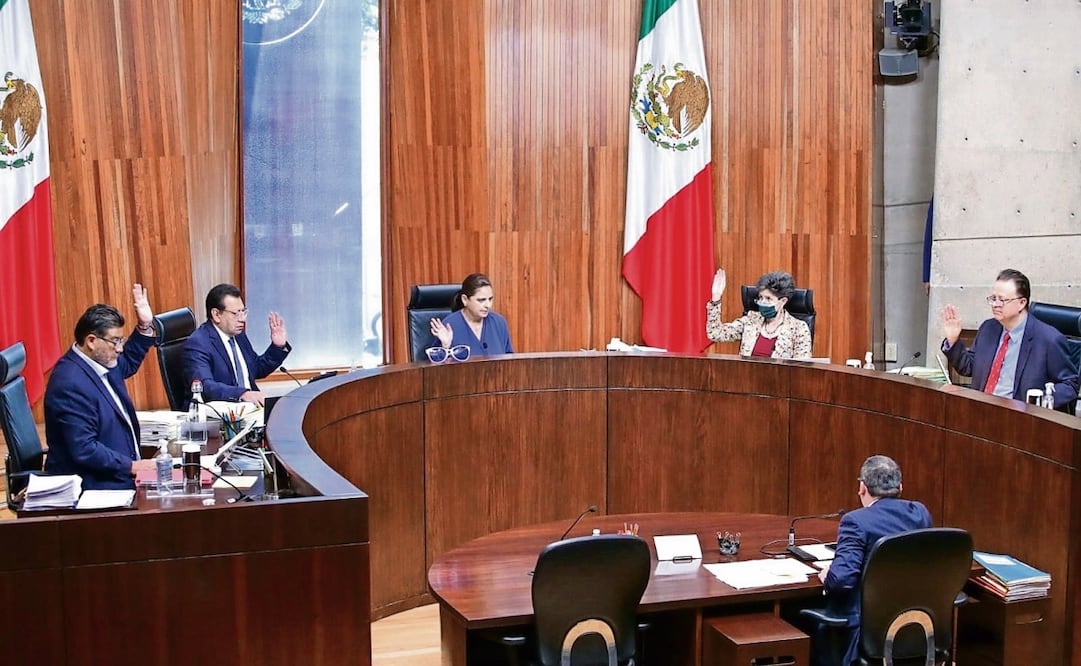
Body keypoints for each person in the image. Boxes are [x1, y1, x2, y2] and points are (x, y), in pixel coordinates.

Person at [816, 455, 932, 666]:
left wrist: (828, 576)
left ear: (862, 488)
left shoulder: (856, 521)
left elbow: (841, 581)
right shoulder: (920, 513)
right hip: (917, 627)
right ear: (901, 487)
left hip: (868, 631)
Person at [44, 284, 160, 489]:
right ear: (91, 341)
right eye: (114, 341)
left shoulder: (101, 359)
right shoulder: (70, 384)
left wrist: (144, 326)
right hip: (96, 484)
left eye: (121, 340)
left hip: (119, 471)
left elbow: (128, 362)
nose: (120, 348)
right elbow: (84, 449)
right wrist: (132, 466)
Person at [940, 268, 1078, 410]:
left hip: (1020, 419)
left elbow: (1070, 384)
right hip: (981, 412)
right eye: (993, 298)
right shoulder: (988, 328)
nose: (995, 304)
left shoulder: (1048, 339)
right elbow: (969, 368)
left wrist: (1041, 401)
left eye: (1002, 300)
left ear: (1021, 303)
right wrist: (953, 340)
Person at [182, 283, 291, 406]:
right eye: (236, 313)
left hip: (251, 411)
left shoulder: (238, 335)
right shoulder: (198, 343)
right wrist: (241, 394)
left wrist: (278, 347)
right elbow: (204, 386)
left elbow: (257, 368)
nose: (242, 319)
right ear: (216, 314)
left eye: (243, 312)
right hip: (222, 416)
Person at [705, 268, 812, 359]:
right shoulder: (751, 320)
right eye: (761, 297)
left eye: (768, 298)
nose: (763, 302)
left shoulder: (798, 328)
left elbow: (801, 370)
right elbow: (715, 334)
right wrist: (716, 298)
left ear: (783, 301)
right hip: (746, 380)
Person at [429, 273, 514, 357]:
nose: (488, 305)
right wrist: (445, 347)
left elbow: (510, 362)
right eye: (481, 300)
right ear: (465, 300)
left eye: (490, 299)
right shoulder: (449, 325)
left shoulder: (499, 323)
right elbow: (435, 367)